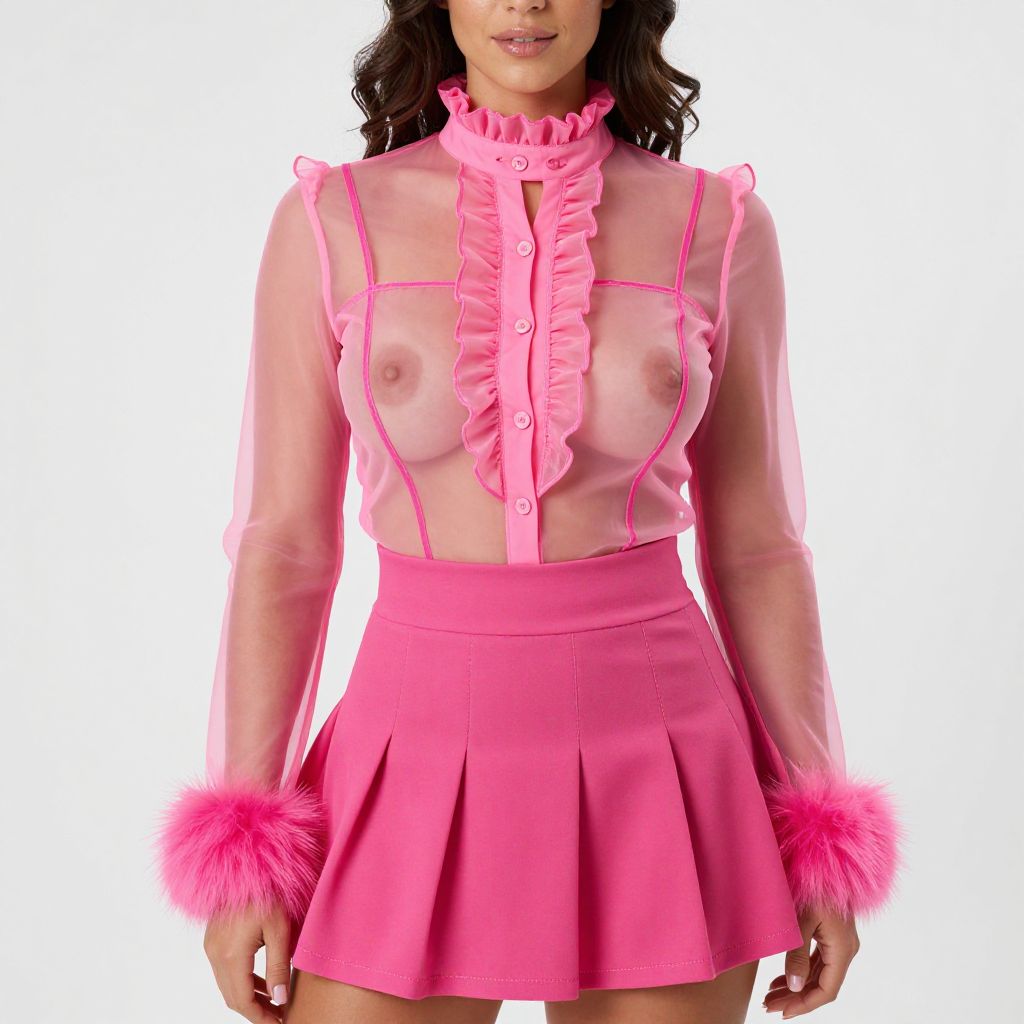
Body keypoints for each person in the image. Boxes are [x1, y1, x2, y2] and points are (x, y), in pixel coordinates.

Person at [152, 1, 904, 1021]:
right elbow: (283, 547)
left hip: (663, 759)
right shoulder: (332, 222)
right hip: (406, 750)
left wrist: (815, 821)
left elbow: (760, 547)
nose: (525, 3)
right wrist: (246, 840)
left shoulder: (716, 225)